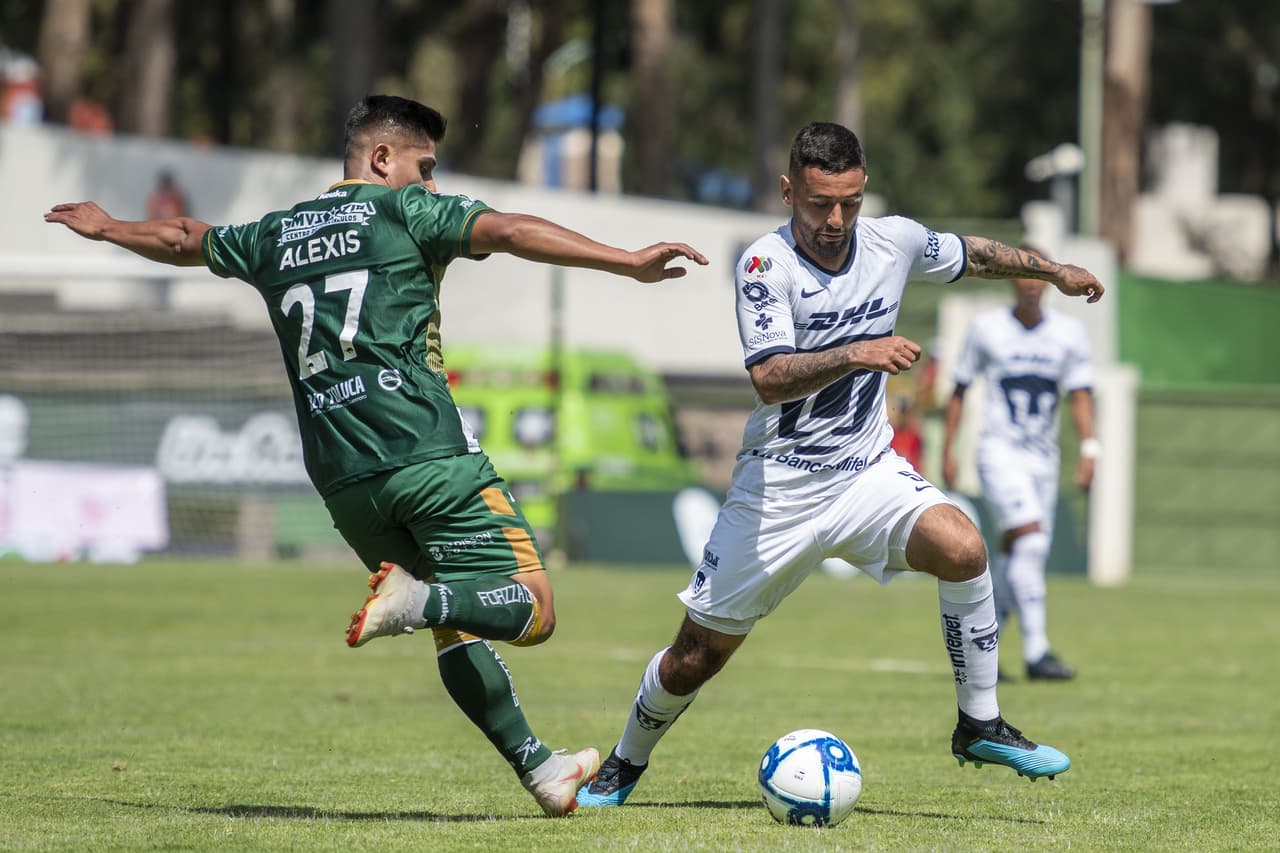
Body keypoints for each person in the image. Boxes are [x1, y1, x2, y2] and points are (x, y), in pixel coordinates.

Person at [45, 94, 707, 817]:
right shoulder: (404, 212)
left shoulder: (274, 233)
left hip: (342, 480)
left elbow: (183, 236)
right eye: (425, 168)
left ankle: (542, 769)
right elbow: (511, 229)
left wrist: (109, 227)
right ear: (382, 158)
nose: (432, 184)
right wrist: (627, 261)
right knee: (532, 608)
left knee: (455, 621)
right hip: (424, 453)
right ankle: (416, 601)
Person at [575, 122, 1103, 809]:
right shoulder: (765, 265)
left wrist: (1052, 271)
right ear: (788, 190)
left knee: (964, 547)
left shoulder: (893, 241)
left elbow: (973, 253)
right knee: (694, 657)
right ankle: (625, 761)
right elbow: (770, 377)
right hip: (779, 488)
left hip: (866, 473)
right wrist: (858, 351)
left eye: (849, 203)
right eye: (819, 202)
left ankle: (979, 723)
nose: (835, 220)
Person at [941, 248, 1096, 681]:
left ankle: (980, 650)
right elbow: (959, 389)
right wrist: (948, 449)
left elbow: (1081, 394)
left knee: (1021, 555)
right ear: (1010, 279)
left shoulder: (1069, 334)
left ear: (1047, 282)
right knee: (1030, 543)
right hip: (999, 453)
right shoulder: (986, 329)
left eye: (1037, 277)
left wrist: (1090, 449)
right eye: (1023, 275)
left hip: (1043, 459)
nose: (1030, 285)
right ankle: (1037, 652)